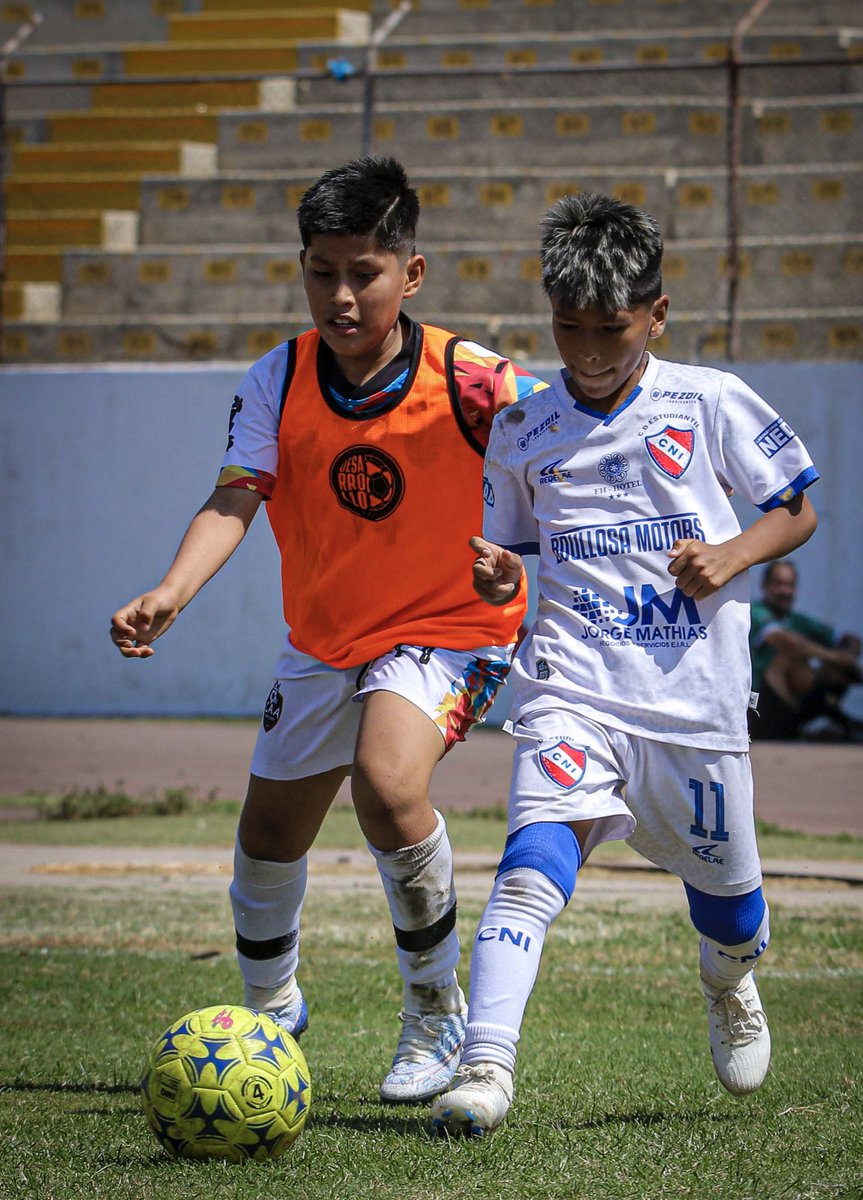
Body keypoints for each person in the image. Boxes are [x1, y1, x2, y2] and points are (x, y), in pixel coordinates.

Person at [109, 157, 548, 1106]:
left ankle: (436, 1017)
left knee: (388, 787)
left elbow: (566, 476)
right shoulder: (279, 377)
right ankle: (269, 1013)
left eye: (364, 273)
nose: (341, 296)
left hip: (454, 629)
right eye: (321, 271)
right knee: (269, 834)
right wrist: (171, 591)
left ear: (412, 274)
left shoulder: (476, 381)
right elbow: (236, 495)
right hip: (325, 636)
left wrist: (519, 558)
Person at [429, 192, 820, 1137]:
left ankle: (729, 983)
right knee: (530, 866)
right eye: (569, 329)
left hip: (693, 707)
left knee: (732, 919)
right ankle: (484, 1069)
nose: (591, 352)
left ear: (657, 315)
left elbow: (797, 506)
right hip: (572, 689)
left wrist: (731, 555)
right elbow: (510, 560)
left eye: (611, 329)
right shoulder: (524, 428)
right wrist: (496, 578)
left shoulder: (709, 400)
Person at [749, 560, 863, 743]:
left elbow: (849, 639)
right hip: (756, 705)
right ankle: (820, 721)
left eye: (789, 585)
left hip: (792, 705)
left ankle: (816, 721)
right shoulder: (755, 613)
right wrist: (838, 659)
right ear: (764, 586)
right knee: (791, 655)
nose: (784, 591)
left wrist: (848, 658)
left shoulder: (797, 620)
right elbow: (788, 642)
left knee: (835, 665)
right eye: (778, 584)